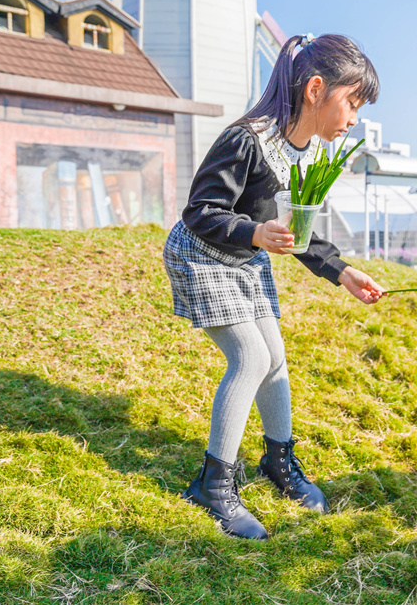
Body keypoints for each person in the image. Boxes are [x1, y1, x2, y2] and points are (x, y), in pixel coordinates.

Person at [163, 33, 385, 540]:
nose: (353, 117)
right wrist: (255, 232)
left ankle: (278, 463)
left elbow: (296, 229)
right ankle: (213, 485)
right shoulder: (248, 138)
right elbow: (200, 211)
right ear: (315, 89)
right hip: (202, 255)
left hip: (245, 260)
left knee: (275, 358)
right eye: (352, 102)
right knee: (251, 359)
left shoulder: (303, 152)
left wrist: (342, 272)